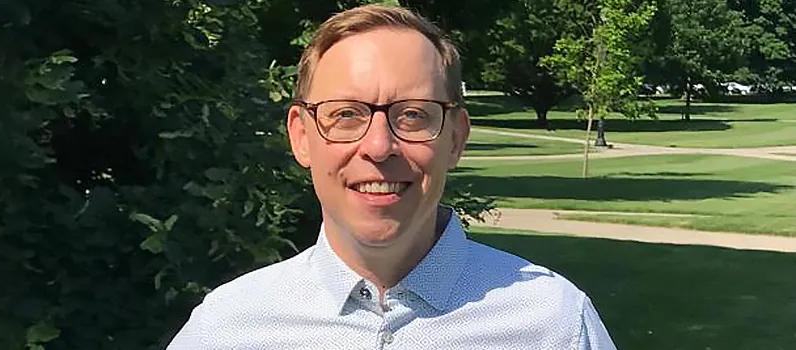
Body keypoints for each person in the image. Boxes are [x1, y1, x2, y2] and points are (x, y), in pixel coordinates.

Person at [166, 4, 616, 349]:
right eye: (345, 114)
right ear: (301, 137)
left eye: (414, 115)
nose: (379, 147)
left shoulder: (551, 323)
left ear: (456, 138)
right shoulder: (229, 328)